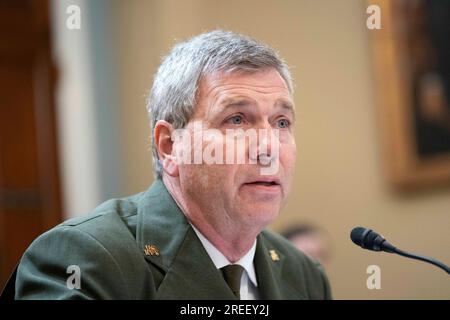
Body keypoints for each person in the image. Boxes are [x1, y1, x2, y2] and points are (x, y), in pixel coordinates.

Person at [1, 30, 331, 300]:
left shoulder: (304, 275)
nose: (268, 147)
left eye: (282, 122)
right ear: (170, 145)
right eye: (236, 120)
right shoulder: (82, 259)